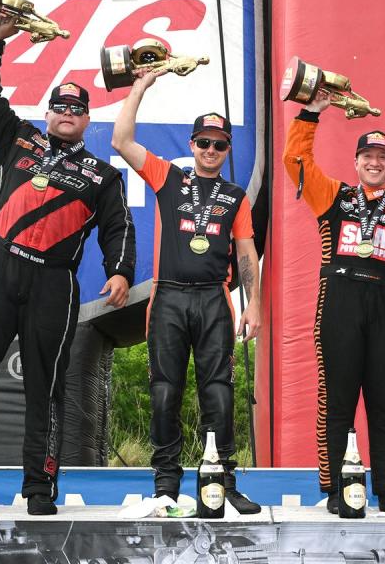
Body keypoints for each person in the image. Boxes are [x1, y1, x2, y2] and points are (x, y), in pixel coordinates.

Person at [0, 17, 135, 516]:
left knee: (46, 387)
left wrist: (121, 269)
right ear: (48, 113)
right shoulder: (14, 138)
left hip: (53, 282)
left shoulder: (103, 176)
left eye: (77, 109)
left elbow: (118, 226)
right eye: (60, 106)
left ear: (87, 121)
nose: (67, 113)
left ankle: (39, 490)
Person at [283, 89, 385, 513]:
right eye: (368, 156)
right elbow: (295, 162)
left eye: (383, 157)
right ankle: (337, 492)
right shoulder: (333, 195)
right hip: (339, 300)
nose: (375, 163)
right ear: (357, 162)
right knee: (336, 400)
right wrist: (311, 112)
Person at [110, 69, 262, 514]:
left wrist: (254, 305)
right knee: (164, 391)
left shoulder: (235, 195)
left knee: (218, 391)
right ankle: (166, 486)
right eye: (204, 142)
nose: (211, 150)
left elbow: (247, 253)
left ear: (227, 149)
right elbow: (121, 140)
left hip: (215, 297)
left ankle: (223, 483)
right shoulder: (168, 178)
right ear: (192, 144)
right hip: (170, 298)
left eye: (219, 144)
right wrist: (139, 88)